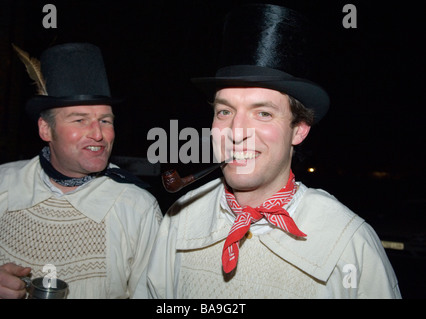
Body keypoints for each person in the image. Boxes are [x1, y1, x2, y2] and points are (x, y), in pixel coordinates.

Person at [143, 4, 401, 298]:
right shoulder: (179, 220)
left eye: (263, 113)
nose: (237, 132)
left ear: (299, 129)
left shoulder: (349, 243)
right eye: (225, 111)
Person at [0, 43, 162, 299]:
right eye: (79, 120)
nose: (98, 134)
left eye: (105, 121)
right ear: (45, 129)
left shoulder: (138, 208)